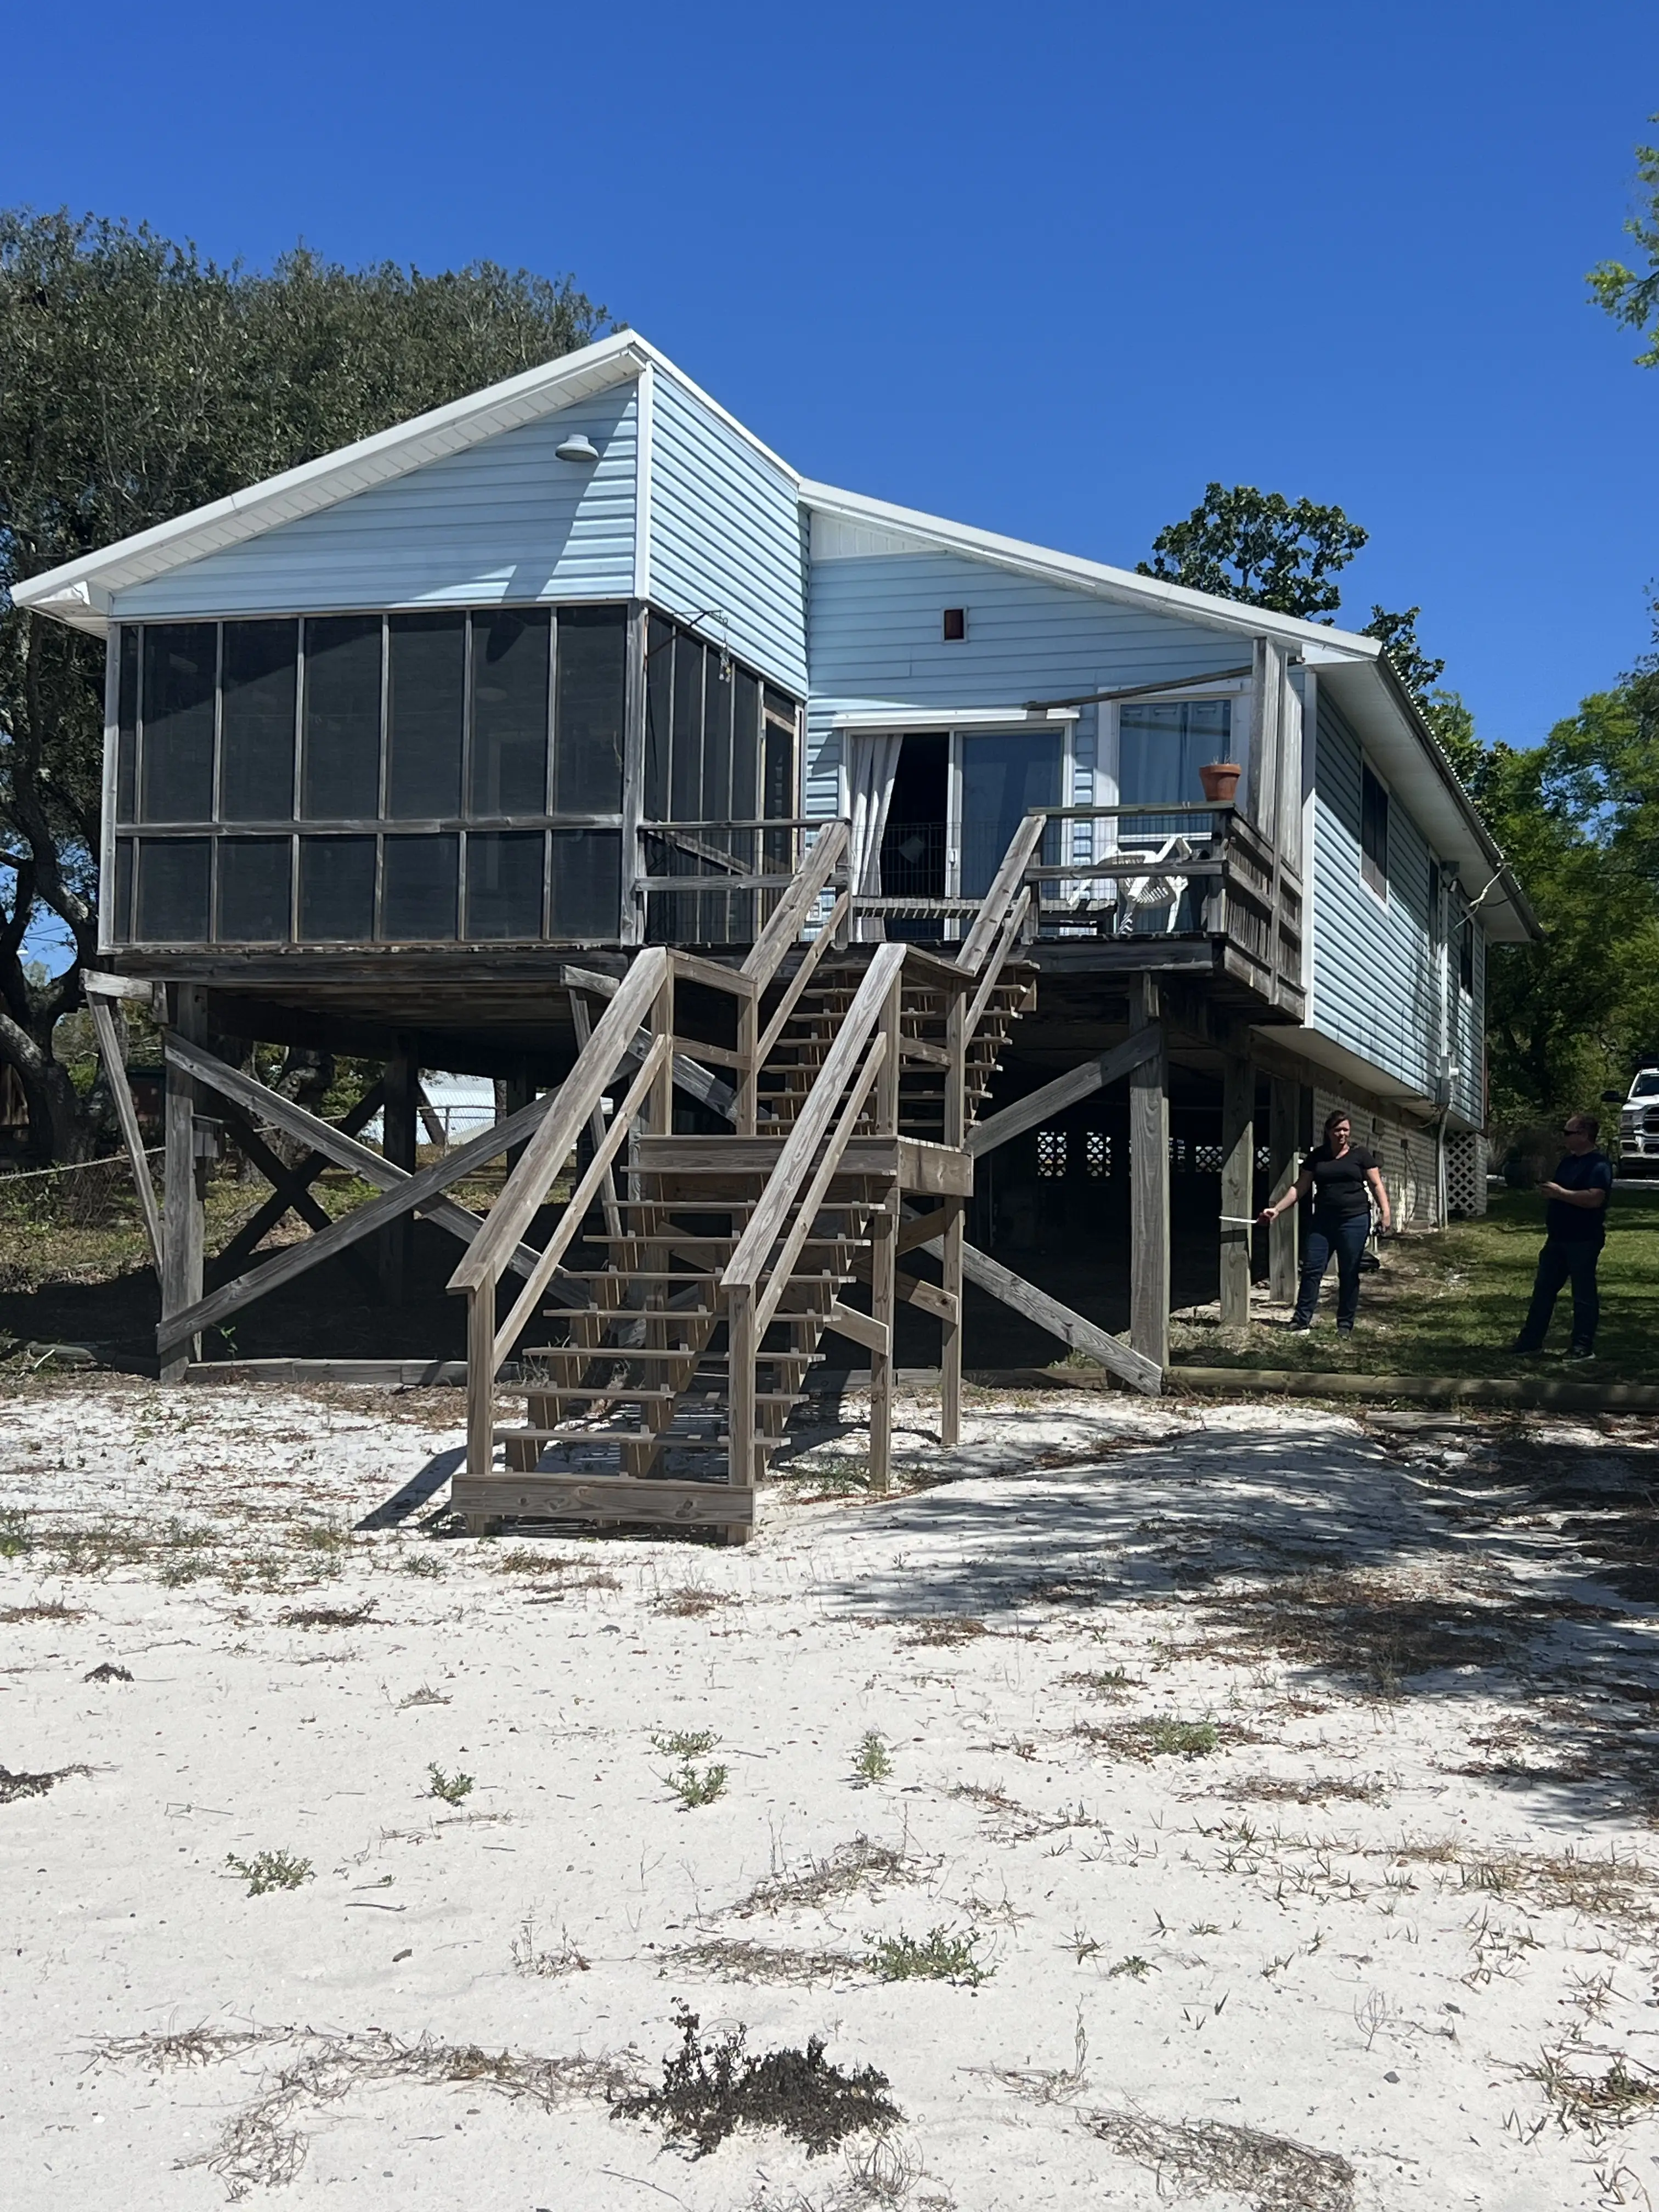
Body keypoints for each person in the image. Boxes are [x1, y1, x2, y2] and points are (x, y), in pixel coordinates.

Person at [1258, 1110, 1393, 1334]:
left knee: (1349, 1272)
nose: (1342, 1134)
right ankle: (1301, 1319)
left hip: (1354, 1220)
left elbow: (1376, 1184)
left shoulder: (1360, 1155)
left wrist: (1386, 1213)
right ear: (1329, 1132)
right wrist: (1277, 1209)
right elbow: (1300, 1187)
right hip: (1323, 1222)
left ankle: (1345, 1325)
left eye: (1346, 1130)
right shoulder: (1318, 1157)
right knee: (1312, 1269)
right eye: (1337, 1130)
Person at [1511, 1113, 1613, 1360]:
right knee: (1543, 1291)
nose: (1564, 1137)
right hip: (1557, 1238)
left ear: (1584, 1135)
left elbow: (1595, 1198)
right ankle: (1530, 1342)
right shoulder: (1567, 1163)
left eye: (1568, 1133)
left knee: (1583, 1295)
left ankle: (1582, 1346)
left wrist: (1561, 1194)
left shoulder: (1599, 1165)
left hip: (1584, 1239)